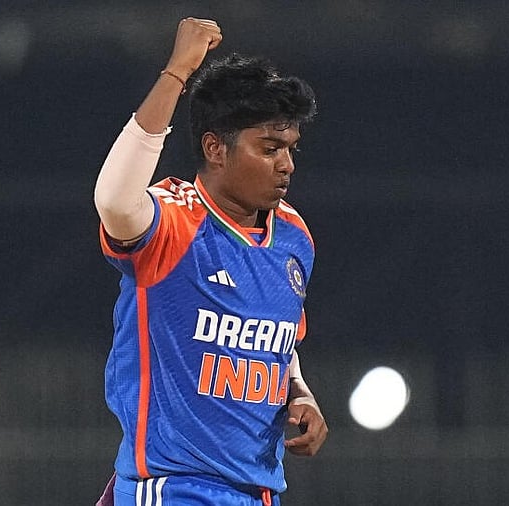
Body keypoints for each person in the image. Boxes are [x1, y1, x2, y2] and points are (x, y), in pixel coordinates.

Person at [93, 17, 327, 506]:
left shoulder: (293, 236)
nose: (287, 164)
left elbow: (277, 338)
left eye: (290, 149)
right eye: (269, 149)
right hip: (174, 485)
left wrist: (298, 391)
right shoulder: (174, 221)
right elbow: (114, 201)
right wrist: (176, 72)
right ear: (215, 148)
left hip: (259, 491)